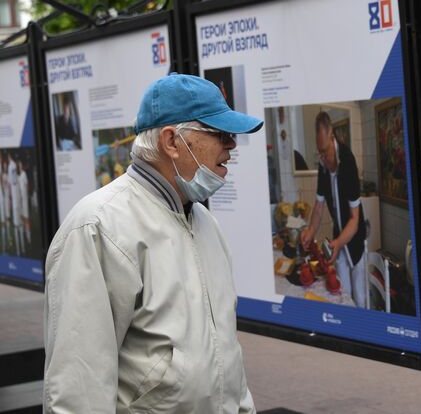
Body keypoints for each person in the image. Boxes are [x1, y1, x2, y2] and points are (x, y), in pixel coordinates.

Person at [44, 73, 263, 412]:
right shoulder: (98, 226)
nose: (232, 145)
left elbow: (225, 357)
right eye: (220, 133)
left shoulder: (205, 223)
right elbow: (79, 386)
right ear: (171, 141)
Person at [300, 111, 367, 308]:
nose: (324, 157)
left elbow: (355, 219)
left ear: (332, 137)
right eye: (319, 152)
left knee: (360, 298)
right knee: (341, 296)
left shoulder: (348, 162)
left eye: (325, 151)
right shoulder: (322, 164)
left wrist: (337, 243)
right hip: (339, 235)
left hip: (355, 237)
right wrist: (311, 230)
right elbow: (319, 206)